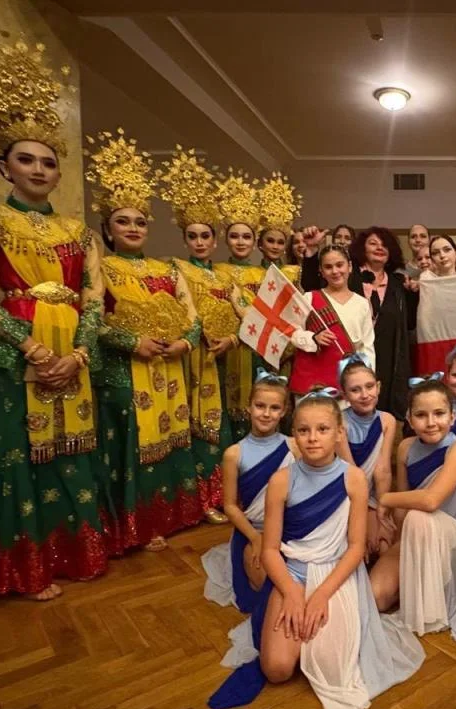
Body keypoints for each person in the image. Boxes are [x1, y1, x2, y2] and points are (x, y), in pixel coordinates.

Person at [0, 38, 109, 605]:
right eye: (26, 159)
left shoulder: (79, 232)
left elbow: (94, 299)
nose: (39, 169)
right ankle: (23, 570)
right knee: (17, 457)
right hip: (13, 357)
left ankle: (75, 556)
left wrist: (78, 353)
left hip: (75, 353)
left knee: (74, 453)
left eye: (48, 161)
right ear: (5, 165)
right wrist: (35, 350)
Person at [209, 389, 424, 709]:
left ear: (339, 433)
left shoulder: (353, 478)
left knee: (333, 668)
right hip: (293, 572)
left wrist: (322, 595)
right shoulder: (281, 480)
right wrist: (292, 592)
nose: (312, 438)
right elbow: (270, 550)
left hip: (336, 574)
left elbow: (355, 548)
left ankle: (319, 635)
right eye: (303, 430)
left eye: (322, 429)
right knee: (277, 669)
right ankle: (296, 636)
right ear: (294, 433)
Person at [97, 145, 207, 553]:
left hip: (169, 367)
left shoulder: (168, 269)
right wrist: (132, 342)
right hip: (125, 372)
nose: (132, 228)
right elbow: (91, 320)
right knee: (132, 446)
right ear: (107, 229)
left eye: (140, 222)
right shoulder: (100, 268)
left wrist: (184, 342)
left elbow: (193, 318)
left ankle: (173, 515)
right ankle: (136, 526)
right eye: (122, 221)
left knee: (171, 438)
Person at [368, 377, 456, 644]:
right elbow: (402, 509)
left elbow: (430, 501)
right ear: (409, 419)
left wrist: (385, 499)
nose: (431, 422)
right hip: (413, 534)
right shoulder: (406, 447)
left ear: (452, 417)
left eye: (439, 414)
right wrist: (397, 543)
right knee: (376, 597)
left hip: (453, 539)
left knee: (420, 516)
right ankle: (411, 587)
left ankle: (428, 606)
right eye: (421, 415)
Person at [169, 170, 243, 526]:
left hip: (222, 359)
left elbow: (245, 316)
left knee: (221, 428)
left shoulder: (226, 277)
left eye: (205, 236)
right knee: (194, 428)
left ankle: (221, 496)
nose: (199, 242)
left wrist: (231, 339)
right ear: (185, 239)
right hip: (189, 358)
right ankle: (196, 501)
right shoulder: (176, 269)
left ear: (215, 240)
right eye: (192, 236)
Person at [202, 372, 298, 625]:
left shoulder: (294, 447)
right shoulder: (234, 453)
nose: (266, 413)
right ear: (248, 407)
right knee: (268, 587)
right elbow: (230, 506)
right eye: (260, 406)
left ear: (284, 411)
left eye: (274, 408)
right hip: (252, 531)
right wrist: (255, 537)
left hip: (288, 530)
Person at [219, 176, 304, 437]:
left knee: (275, 406)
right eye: (270, 241)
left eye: (280, 242)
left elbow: (297, 313)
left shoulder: (289, 273)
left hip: (278, 349)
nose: (275, 246)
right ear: (260, 243)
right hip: (239, 349)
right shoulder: (220, 272)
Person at [288, 246, 376, 397]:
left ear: (349, 267)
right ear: (321, 271)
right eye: (328, 267)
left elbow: (367, 347)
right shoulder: (309, 298)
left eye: (339, 265)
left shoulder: (362, 303)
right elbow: (291, 331)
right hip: (311, 382)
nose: (335, 271)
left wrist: (367, 381)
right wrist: (313, 338)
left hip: (347, 382)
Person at [338, 354, 398, 560]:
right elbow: (350, 473)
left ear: (378, 387)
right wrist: (362, 521)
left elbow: (383, 471)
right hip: (346, 497)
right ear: (344, 395)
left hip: (374, 497)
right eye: (355, 390)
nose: (365, 395)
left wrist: (382, 513)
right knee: (359, 546)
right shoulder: (339, 422)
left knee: (384, 542)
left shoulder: (387, 420)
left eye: (369, 387)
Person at [352, 227, 415, 418]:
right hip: (353, 356)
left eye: (384, 245)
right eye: (373, 243)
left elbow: (409, 323)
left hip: (388, 361)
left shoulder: (398, 284)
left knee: (383, 415)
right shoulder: (348, 277)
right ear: (362, 248)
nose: (379, 248)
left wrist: (414, 293)